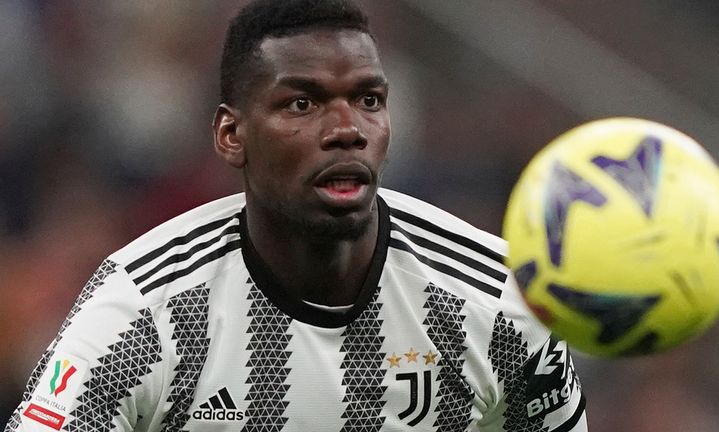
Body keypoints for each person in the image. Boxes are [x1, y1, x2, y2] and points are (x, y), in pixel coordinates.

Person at [5, 0, 587, 431]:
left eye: (369, 100)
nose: (346, 131)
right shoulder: (146, 309)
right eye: (302, 103)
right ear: (232, 134)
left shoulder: (495, 300)